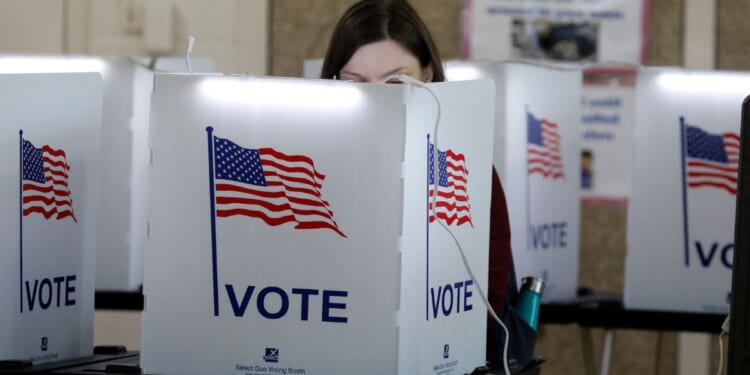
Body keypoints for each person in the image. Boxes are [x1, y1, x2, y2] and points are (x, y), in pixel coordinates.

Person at [321, 0, 535, 369]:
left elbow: (484, 303)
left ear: (428, 77)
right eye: (356, 82)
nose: (379, 98)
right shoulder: (316, 163)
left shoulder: (469, 171)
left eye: (396, 81)